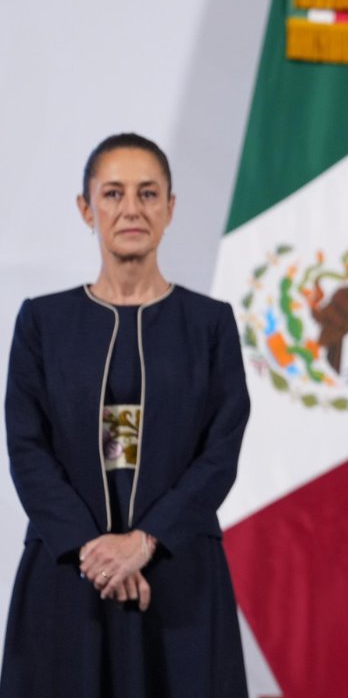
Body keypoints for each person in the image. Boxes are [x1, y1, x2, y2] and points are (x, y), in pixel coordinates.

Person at [2, 133, 250, 697]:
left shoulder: (209, 325)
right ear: (86, 209)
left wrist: (147, 540)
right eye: (113, 194)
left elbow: (221, 450)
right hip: (67, 573)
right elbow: (26, 446)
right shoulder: (43, 322)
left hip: (180, 573)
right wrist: (94, 551)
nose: (131, 209)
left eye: (147, 193)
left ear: (170, 208)